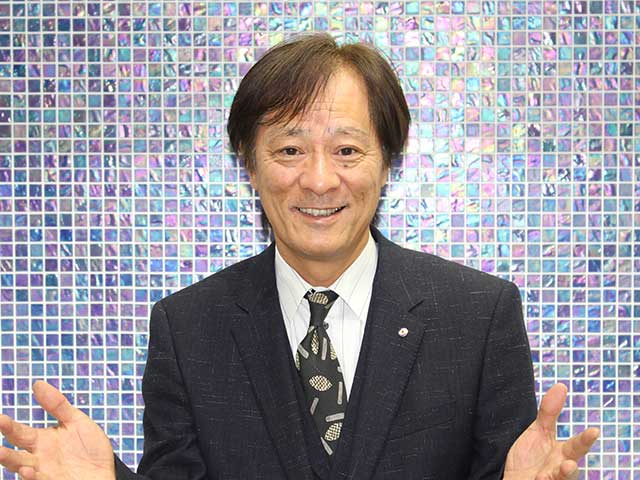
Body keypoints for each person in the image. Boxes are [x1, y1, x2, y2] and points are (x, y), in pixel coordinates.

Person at [0, 33, 599, 480]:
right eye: (289, 149)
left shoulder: (478, 314)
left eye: (347, 150)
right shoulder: (188, 328)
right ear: (249, 164)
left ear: (387, 162)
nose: (318, 180)